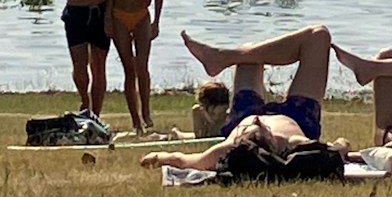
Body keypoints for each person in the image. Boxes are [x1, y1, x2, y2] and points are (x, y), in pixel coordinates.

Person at [140, 25, 335, 169]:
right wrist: (342, 147)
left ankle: (223, 56)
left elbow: (184, 160)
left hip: (244, 113)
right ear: (274, 143)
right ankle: (225, 57)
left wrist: (160, 156)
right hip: (298, 116)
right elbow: (336, 151)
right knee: (319, 36)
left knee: (249, 50)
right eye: (261, 130)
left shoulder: (228, 147)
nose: (258, 121)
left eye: (249, 131)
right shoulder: (293, 143)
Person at [105, 0, 166, 133]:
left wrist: (156, 21)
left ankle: (146, 112)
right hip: (120, 16)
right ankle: (135, 121)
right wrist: (108, 20)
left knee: (142, 66)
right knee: (129, 70)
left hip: (141, 17)